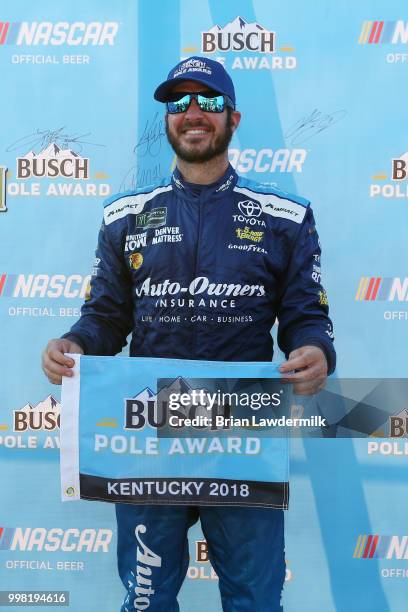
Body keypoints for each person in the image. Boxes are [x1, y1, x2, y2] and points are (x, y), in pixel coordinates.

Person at [42, 56, 335, 611]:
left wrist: (315, 351)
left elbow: (306, 315)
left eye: (209, 101)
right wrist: (73, 345)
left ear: (234, 118)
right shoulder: (124, 216)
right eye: (179, 103)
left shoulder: (287, 216)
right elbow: (105, 317)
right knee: (148, 601)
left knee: (254, 600)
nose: (193, 113)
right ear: (168, 121)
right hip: (149, 431)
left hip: (242, 429)